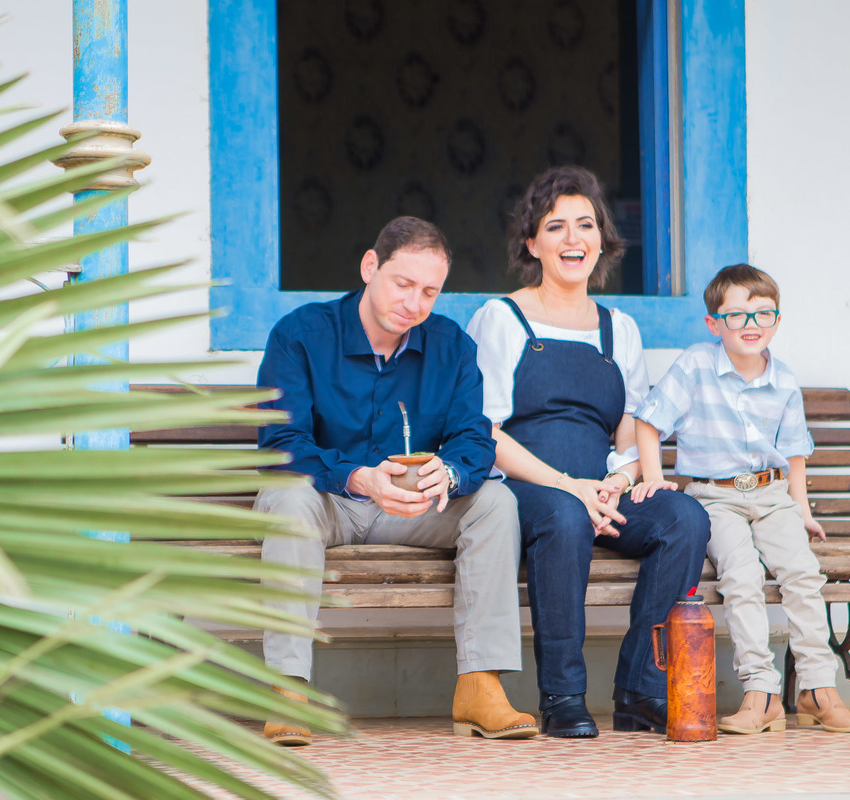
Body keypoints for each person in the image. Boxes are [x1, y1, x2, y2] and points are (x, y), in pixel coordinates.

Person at [254, 216, 537, 744]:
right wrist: (358, 477)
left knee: (495, 502)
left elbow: (474, 437)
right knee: (288, 499)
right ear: (370, 267)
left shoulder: (451, 346)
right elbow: (281, 444)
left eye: (430, 291)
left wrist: (448, 473)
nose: (414, 303)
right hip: (327, 500)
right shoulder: (300, 335)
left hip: (411, 508)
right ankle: (286, 692)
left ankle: (480, 686)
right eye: (403, 284)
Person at [466, 166, 710, 738]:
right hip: (529, 492)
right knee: (565, 515)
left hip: (599, 491)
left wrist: (620, 482)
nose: (573, 239)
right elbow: (485, 432)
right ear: (533, 243)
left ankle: (642, 689)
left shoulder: (618, 328)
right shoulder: (501, 318)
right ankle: (563, 695)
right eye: (555, 227)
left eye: (586, 225)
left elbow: (630, 424)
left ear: (602, 239)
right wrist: (568, 486)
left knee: (684, 518)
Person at [632, 263, 850, 735]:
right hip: (714, 498)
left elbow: (795, 454)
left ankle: (818, 689)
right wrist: (654, 478)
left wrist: (802, 511)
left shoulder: (784, 381)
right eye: (737, 315)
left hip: (773, 495)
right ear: (713, 323)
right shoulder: (696, 365)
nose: (751, 324)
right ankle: (760, 694)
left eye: (763, 314)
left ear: (777, 320)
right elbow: (649, 421)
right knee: (741, 577)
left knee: (802, 574)